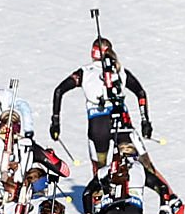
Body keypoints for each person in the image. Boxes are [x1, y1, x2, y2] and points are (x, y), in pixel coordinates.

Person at [51, 37, 173, 198]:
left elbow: (59, 90)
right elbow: (140, 93)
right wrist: (145, 121)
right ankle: (172, 201)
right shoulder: (119, 71)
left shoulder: (85, 72)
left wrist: (55, 121)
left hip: (98, 124)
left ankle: (97, 212)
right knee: (146, 167)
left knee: (100, 172)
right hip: (123, 123)